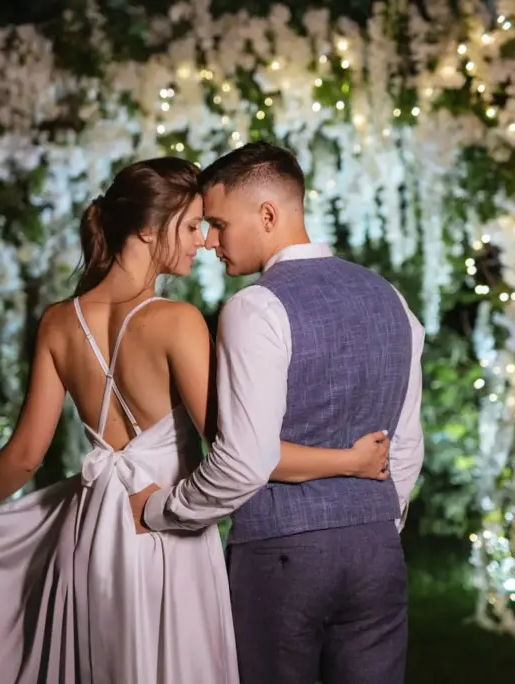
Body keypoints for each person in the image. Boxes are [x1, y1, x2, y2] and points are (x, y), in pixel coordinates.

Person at [0, 157, 392, 684]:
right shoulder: (177, 322)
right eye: (190, 226)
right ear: (146, 229)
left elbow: (25, 455)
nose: (202, 241)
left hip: (93, 534)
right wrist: (348, 461)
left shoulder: (58, 323)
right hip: (165, 530)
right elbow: (240, 452)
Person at [137, 142, 426, 684]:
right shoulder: (390, 297)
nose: (210, 242)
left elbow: (244, 460)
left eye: (219, 224)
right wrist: (379, 523)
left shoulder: (255, 307)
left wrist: (163, 511)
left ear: (267, 215)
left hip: (281, 556)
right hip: (377, 551)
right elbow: (405, 443)